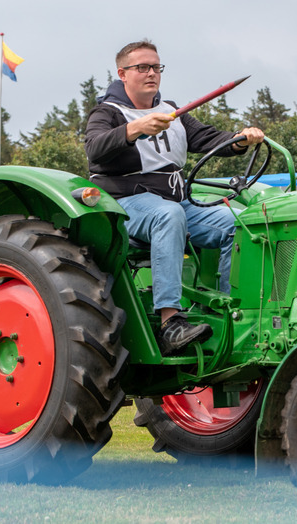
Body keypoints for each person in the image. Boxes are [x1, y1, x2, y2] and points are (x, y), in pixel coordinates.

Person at [84, 39, 265, 355]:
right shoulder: (107, 112)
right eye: (142, 67)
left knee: (239, 224)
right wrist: (135, 128)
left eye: (156, 67)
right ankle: (170, 321)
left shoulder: (171, 111)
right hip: (128, 204)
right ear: (122, 73)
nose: (151, 73)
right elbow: (95, 148)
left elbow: (208, 138)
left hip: (177, 201)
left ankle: (230, 313)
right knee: (168, 215)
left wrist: (240, 140)